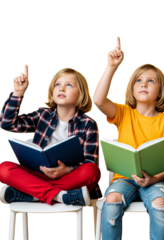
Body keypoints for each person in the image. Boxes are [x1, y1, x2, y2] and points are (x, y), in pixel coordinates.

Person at [92, 35, 164, 240]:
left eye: (151, 81)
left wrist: (154, 178)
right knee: (111, 199)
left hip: (156, 180)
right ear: (132, 88)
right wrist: (111, 66)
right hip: (124, 179)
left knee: (159, 204)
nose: (144, 84)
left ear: (160, 92)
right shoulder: (123, 112)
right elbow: (97, 100)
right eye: (139, 81)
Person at [0, 64, 102, 206]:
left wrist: (68, 169)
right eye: (58, 84)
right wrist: (18, 93)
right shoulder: (43, 114)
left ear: (81, 93)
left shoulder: (88, 123)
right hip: (37, 176)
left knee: (93, 171)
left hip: (68, 178)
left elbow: (90, 161)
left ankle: (33, 195)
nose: (61, 88)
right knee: (3, 167)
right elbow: (7, 124)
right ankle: (60, 196)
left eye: (69, 85)